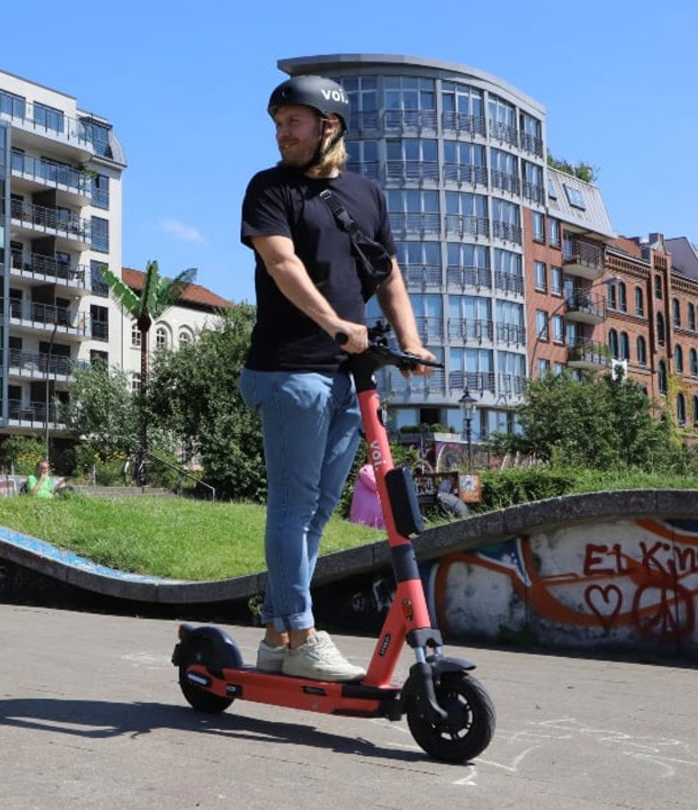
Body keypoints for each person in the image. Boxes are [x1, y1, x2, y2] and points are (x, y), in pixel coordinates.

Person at [239, 75, 435, 682]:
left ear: (329, 126)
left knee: (321, 509)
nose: (282, 132)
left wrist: (411, 340)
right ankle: (300, 631)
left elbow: (387, 274)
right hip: (288, 369)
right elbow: (280, 262)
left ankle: (277, 635)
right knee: (294, 507)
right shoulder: (269, 188)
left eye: (294, 121)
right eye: (278, 123)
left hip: (349, 376)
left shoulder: (364, 193)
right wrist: (335, 324)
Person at [349, 463, 385, 530]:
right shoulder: (367, 469)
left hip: (371, 513)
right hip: (367, 512)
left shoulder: (373, 470)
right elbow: (374, 485)